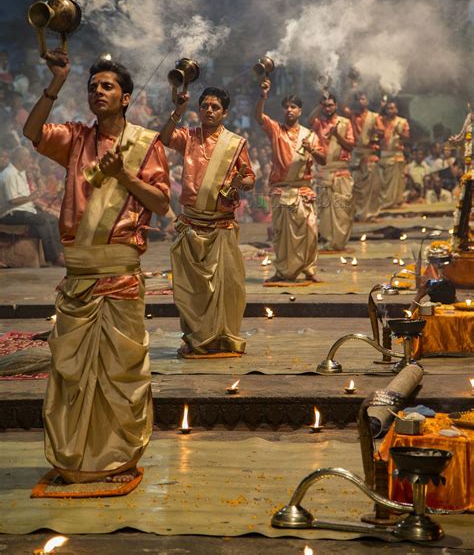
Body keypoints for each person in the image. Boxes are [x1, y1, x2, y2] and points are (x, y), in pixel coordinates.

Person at [23, 50, 170, 484]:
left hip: (121, 276)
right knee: (71, 373)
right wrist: (57, 82)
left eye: (107, 86)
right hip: (79, 278)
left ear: (125, 98)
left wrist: (124, 175)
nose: (97, 92)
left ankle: (117, 459)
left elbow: (161, 204)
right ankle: (76, 461)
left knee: (120, 372)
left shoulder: (146, 144)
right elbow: (32, 131)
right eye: (92, 86)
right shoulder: (74, 138)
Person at [159, 85, 255, 357]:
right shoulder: (188, 137)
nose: (209, 111)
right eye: (205, 106)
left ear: (225, 113)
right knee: (192, 291)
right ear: (198, 109)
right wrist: (178, 110)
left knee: (228, 289)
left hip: (221, 227)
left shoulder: (235, 143)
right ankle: (196, 337)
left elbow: (250, 178)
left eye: (215, 107)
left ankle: (222, 338)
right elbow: (164, 137)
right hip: (191, 226)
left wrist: (240, 182)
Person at [255, 79, 326, 282]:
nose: (289, 110)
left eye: (293, 107)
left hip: (303, 192)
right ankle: (283, 271)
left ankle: (309, 269)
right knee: (282, 235)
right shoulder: (276, 130)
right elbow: (258, 116)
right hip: (281, 191)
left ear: (300, 111)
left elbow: (324, 159)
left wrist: (312, 149)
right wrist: (263, 96)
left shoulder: (310, 135)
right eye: (286, 107)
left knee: (311, 232)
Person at [0, 145, 64, 265]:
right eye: (28, 158)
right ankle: (54, 257)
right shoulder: (9, 175)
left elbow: (38, 192)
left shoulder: (21, 172)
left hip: (25, 209)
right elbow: (13, 201)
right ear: (21, 159)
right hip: (10, 213)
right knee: (43, 220)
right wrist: (31, 197)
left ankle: (59, 252)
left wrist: (36, 177)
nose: (30, 160)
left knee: (52, 219)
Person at [310, 93, 355, 251]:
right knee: (325, 212)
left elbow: (350, 146)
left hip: (341, 173)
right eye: (325, 105)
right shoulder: (319, 123)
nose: (327, 108)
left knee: (343, 210)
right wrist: (319, 104)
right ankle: (329, 243)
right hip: (324, 173)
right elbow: (309, 121)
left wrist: (337, 135)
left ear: (336, 105)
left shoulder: (346, 122)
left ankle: (340, 243)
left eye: (330, 105)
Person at [343, 91, 380, 221]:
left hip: (369, 154)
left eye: (363, 99)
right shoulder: (352, 115)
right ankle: (355, 213)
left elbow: (379, 133)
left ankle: (370, 214)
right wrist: (352, 89)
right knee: (353, 186)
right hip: (354, 155)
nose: (360, 102)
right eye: (358, 99)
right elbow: (344, 106)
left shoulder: (374, 117)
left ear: (368, 101)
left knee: (371, 187)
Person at [374, 99, 409, 209]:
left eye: (392, 108)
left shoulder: (402, 121)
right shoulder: (382, 120)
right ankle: (386, 203)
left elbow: (407, 138)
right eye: (388, 108)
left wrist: (399, 133)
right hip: (384, 154)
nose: (390, 110)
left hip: (396, 154)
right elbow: (374, 118)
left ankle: (396, 202)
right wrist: (381, 108)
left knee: (398, 181)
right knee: (384, 182)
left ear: (397, 109)